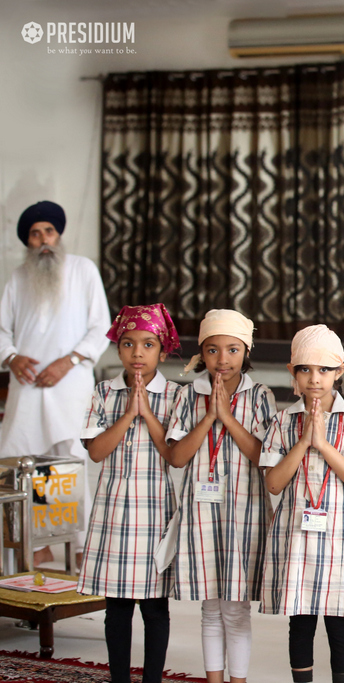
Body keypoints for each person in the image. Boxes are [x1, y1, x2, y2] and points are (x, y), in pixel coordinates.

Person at [261, 325, 344, 683]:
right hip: (296, 533)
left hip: (340, 535)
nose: (315, 379)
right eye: (305, 369)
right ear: (292, 372)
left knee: (339, 622)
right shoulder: (282, 421)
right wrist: (303, 442)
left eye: (325, 370)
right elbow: (274, 482)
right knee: (301, 621)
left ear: (340, 372)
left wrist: (324, 445)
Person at [166, 310, 276, 683]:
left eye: (232, 349)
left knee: (237, 609)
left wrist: (227, 418)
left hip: (245, 511)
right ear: (201, 354)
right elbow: (178, 458)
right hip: (201, 511)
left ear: (246, 351)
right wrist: (209, 418)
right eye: (213, 350)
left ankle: (238, 680)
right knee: (210, 607)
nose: (223, 359)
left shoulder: (259, 395)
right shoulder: (187, 394)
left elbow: (265, 457)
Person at [0, 200, 111, 565]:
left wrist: (69, 361)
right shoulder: (17, 278)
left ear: (58, 234)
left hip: (70, 384)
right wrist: (12, 357)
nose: (43, 239)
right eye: (35, 233)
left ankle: (79, 549)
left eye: (48, 231)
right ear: (27, 241)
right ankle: (35, 547)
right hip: (27, 384)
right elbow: (2, 330)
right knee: (18, 464)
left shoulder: (82, 269)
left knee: (71, 462)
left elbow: (101, 326)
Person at [78, 304, 181, 683]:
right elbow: (96, 451)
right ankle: (119, 678)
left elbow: (174, 457)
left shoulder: (175, 395)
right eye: (128, 343)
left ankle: (152, 678)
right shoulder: (104, 391)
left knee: (155, 608)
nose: (138, 352)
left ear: (163, 350)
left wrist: (147, 413)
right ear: (118, 349)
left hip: (155, 512)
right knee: (116, 609)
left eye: (148, 344)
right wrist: (127, 414)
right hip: (114, 512)